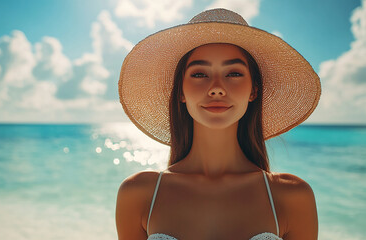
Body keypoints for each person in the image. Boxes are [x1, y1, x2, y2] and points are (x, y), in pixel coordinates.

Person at [116, 8, 320, 240]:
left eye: (233, 73)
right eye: (199, 74)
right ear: (181, 91)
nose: (216, 87)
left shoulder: (291, 196)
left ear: (254, 90)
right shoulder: (139, 194)